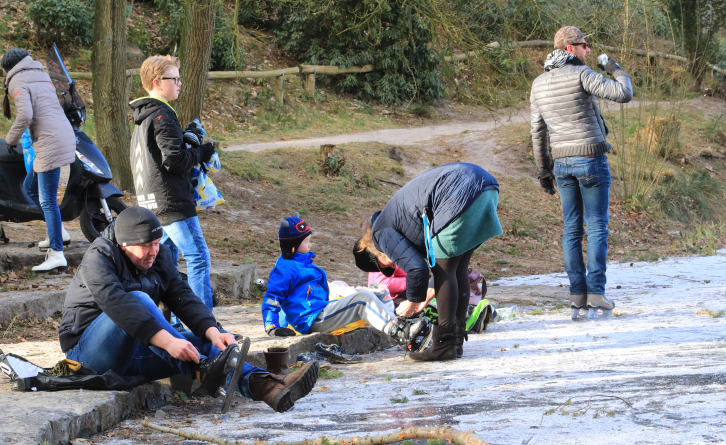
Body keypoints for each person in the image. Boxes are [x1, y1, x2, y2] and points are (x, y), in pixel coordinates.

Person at [58, 207, 320, 413]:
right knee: (138, 299)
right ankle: (204, 370)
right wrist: (170, 340)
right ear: (124, 245)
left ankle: (268, 388)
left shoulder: (158, 255)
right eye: (145, 247)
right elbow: (119, 304)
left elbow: (181, 295)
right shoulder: (99, 257)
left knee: (209, 345)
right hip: (89, 357)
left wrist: (212, 331)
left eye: (157, 243)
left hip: (137, 351)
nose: (153, 252)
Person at [531, 26, 633, 319]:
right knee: (598, 226)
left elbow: (537, 132)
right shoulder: (581, 74)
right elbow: (624, 93)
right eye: (583, 45)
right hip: (590, 158)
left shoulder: (538, 84)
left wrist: (543, 170)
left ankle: (577, 297)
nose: (588, 50)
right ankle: (597, 293)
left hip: (562, 165)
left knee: (572, 230)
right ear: (569, 49)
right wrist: (613, 67)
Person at [354, 163, 502, 361]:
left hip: (459, 191)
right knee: (457, 269)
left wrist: (412, 302)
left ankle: (444, 345)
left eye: (386, 266)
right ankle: (455, 341)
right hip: (486, 187)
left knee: (444, 270)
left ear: (376, 253)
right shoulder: (398, 220)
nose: (393, 265)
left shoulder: (381, 233)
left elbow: (418, 269)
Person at [262, 213, 432, 353]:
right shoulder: (286, 268)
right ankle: (400, 333)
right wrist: (273, 327)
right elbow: (274, 297)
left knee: (368, 296)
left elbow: (291, 297)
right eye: (306, 241)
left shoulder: (300, 263)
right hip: (312, 318)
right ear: (293, 245)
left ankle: (401, 329)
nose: (310, 244)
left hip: (319, 310)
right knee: (362, 299)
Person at [130, 56, 217, 310]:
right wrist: (202, 152)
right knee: (198, 257)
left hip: (151, 201)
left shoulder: (143, 115)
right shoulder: (163, 114)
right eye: (175, 79)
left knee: (166, 263)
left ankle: (180, 324)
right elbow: (175, 161)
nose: (179, 83)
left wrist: (187, 141)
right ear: (157, 82)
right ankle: (205, 327)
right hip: (171, 200)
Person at [1, 48, 75, 272]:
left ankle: (56, 253)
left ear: (8, 68)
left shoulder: (17, 81)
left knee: (48, 201)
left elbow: (25, 115)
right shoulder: (41, 75)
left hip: (49, 142)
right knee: (30, 187)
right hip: (62, 134)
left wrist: (11, 139)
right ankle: (58, 231)